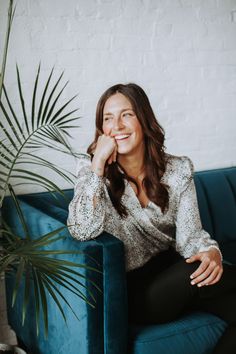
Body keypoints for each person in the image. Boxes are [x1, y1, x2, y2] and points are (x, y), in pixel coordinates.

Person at [67, 83, 236, 353]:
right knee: (194, 269)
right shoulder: (91, 172)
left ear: (143, 119)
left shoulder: (177, 169)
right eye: (108, 119)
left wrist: (210, 251)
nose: (117, 125)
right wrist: (97, 165)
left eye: (127, 115)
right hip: (135, 294)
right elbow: (81, 228)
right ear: (102, 130)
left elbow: (190, 238)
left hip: (176, 279)